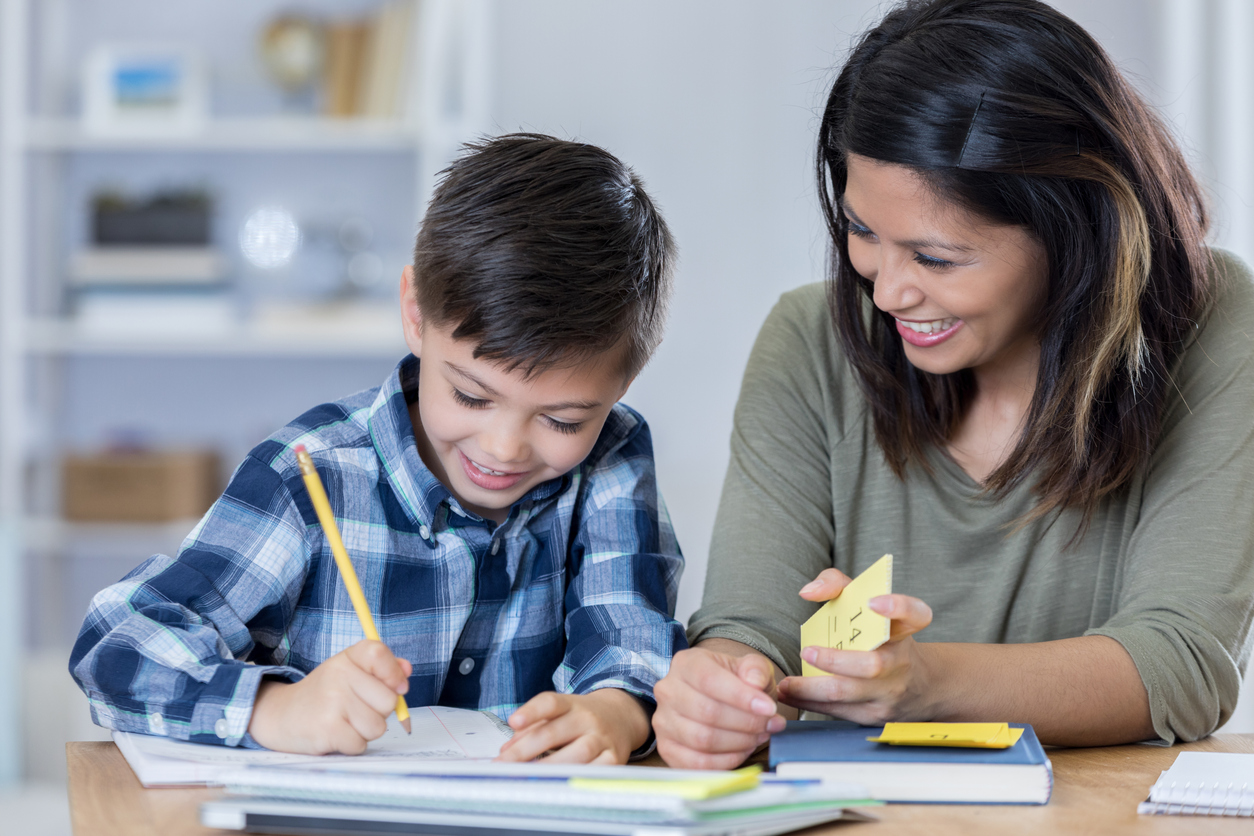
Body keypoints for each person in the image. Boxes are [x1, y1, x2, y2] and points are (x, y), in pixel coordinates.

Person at [654, 0, 1254, 769]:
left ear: (1075, 235)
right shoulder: (807, 339)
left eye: (935, 259)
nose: (887, 291)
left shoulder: (1212, 324)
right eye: (864, 232)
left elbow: (1182, 664)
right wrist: (720, 686)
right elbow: (753, 624)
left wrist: (924, 680)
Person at [70, 134, 686, 764]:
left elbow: (629, 633)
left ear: (621, 386)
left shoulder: (611, 456)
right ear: (416, 313)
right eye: (473, 397)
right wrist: (275, 710)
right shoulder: (310, 474)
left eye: (560, 420)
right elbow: (118, 643)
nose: (503, 449)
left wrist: (618, 710)